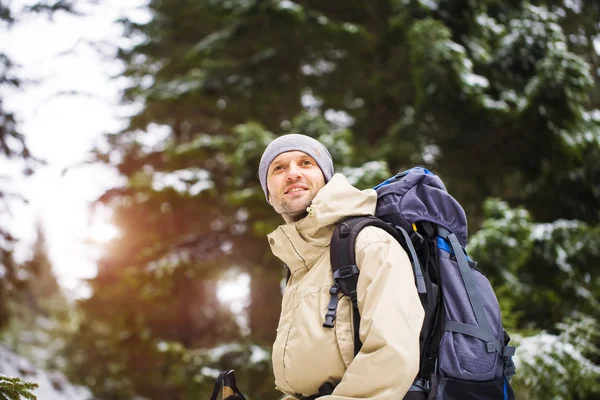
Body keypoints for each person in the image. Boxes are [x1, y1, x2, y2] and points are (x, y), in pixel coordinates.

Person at [258, 134, 425, 400]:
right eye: (279, 168)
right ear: (268, 192)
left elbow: (392, 358)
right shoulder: (298, 265)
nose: (292, 174)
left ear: (326, 178)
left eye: (306, 163)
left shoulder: (368, 242)